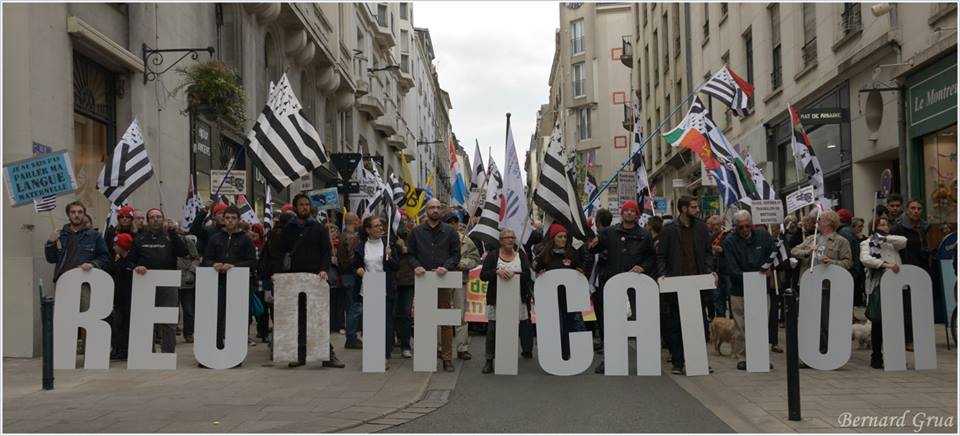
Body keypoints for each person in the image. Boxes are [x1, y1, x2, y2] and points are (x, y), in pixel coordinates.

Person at [273, 194, 343, 368]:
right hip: (295, 278)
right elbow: (279, 252)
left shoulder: (318, 228)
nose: (304, 207)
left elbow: (326, 251)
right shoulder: (288, 229)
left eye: (306, 204)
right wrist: (277, 273)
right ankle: (300, 353)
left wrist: (322, 269)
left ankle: (327, 354)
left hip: (315, 278)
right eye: (301, 204)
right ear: (296, 207)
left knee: (319, 318)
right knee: (299, 318)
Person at [588, 200, 657, 373]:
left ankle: (645, 358)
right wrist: (592, 243)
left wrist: (643, 267)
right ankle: (609, 358)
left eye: (632, 211)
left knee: (636, 320)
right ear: (622, 213)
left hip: (636, 286)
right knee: (610, 322)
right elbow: (593, 250)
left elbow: (651, 258)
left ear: (637, 215)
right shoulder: (609, 232)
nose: (629, 213)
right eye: (626, 210)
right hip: (611, 283)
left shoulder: (645, 235)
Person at [655, 195, 716, 375]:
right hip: (676, 283)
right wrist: (663, 274)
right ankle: (678, 362)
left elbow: (707, 252)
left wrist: (709, 270)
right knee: (676, 324)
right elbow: (661, 255)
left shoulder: (701, 228)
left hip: (697, 283)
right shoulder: (669, 230)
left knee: (699, 324)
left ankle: (699, 360)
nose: (697, 210)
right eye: (694, 207)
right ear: (683, 209)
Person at [45, 201, 111, 355]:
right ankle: (65, 353)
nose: (76, 215)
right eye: (73, 212)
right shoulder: (60, 235)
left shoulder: (94, 236)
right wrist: (50, 242)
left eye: (80, 212)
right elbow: (50, 258)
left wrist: (93, 264)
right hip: (64, 282)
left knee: (87, 317)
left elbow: (105, 256)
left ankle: (90, 352)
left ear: (84, 214)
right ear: (68, 215)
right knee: (65, 319)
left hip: (85, 283)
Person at [407, 198, 461, 372]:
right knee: (423, 320)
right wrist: (416, 266)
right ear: (426, 210)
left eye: (438, 207)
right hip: (424, 281)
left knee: (445, 321)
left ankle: (447, 358)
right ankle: (426, 356)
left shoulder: (450, 232)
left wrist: (446, 267)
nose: (435, 210)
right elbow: (410, 255)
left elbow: (456, 255)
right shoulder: (416, 232)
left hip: (443, 279)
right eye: (432, 208)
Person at [790, 210, 852, 356]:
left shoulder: (841, 241)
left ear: (830, 222)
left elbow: (848, 262)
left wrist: (831, 262)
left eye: (821, 219)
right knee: (809, 320)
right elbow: (794, 250)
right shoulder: (812, 239)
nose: (818, 222)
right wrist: (807, 251)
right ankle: (811, 350)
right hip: (809, 285)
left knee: (825, 320)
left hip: (827, 287)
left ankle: (826, 350)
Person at [127, 208, 188, 354]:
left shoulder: (170, 237)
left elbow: (183, 252)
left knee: (168, 322)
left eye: (159, 217)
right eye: (152, 217)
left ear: (163, 219)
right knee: (146, 321)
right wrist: (136, 267)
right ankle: (147, 353)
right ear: (148, 221)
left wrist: (173, 232)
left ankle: (167, 354)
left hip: (167, 284)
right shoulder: (140, 239)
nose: (156, 219)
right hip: (146, 284)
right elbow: (129, 261)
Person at [722, 211, 776, 370]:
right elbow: (732, 268)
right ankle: (743, 356)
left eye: (748, 226)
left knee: (761, 322)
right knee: (742, 325)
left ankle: (760, 355)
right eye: (741, 227)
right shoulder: (730, 241)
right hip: (739, 289)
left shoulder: (762, 235)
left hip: (761, 288)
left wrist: (768, 269)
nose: (745, 230)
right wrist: (751, 277)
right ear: (735, 228)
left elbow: (772, 253)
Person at [479, 228, 534, 373]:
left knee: (515, 328)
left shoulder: (520, 255)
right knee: (492, 329)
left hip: (517, 299)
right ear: (501, 241)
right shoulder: (492, 256)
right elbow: (483, 275)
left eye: (512, 237)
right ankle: (489, 360)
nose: (510, 240)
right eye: (507, 237)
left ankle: (508, 358)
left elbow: (527, 275)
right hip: (497, 300)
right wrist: (497, 272)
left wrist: (514, 275)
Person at [533, 223, 588, 361]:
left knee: (572, 326)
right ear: (553, 238)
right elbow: (535, 267)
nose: (563, 239)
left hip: (571, 300)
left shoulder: (572, 253)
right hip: (552, 300)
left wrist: (581, 271)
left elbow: (581, 268)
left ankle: (572, 354)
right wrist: (539, 272)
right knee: (557, 327)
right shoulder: (545, 255)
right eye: (560, 237)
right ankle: (557, 354)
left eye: (565, 236)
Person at [860, 216, 907, 369]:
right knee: (878, 323)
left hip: (896, 285)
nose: (884, 227)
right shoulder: (867, 243)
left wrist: (885, 238)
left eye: (886, 224)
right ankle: (876, 356)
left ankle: (896, 354)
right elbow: (866, 259)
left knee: (897, 322)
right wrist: (885, 264)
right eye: (880, 224)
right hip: (878, 286)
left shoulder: (891, 243)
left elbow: (903, 241)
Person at [353, 216, 399, 368]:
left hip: (385, 287)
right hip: (370, 286)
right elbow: (356, 266)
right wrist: (362, 272)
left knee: (385, 323)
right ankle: (373, 355)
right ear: (368, 230)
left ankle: (385, 356)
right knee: (372, 323)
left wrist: (390, 256)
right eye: (376, 226)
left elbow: (396, 266)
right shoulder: (361, 246)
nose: (380, 228)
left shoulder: (388, 244)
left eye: (381, 225)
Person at [891, 198, 931, 350]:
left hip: (922, 270)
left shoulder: (924, 227)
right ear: (907, 210)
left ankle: (920, 336)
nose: (916, 211)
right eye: (913, 208)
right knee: (907, 307)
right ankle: (908, 339)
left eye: (919, 208)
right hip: (905, 270)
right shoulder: (899, 228)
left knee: (921, 306)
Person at [447, 212, 481, 361]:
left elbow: (475, 258)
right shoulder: (438, 240)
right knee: (442, 315)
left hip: (459, 279)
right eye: (448, 222)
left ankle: (462, 348)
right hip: (441, 280)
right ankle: (440, 347)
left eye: (454, 222)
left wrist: (460, 264)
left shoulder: (465, 241)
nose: (452, 224)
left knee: (460, 315)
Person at [338, 212, 363, 349]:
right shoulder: (351, 238)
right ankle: (351, 337)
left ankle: (351, 336)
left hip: (345, 275)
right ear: (355, 221)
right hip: (351, 275)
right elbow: (353, 259)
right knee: (354, 307)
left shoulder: (343, 235)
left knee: (350, 306)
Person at [109, 233, 134, 360]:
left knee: (125, 326)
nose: (113, 247)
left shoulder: (131, 262)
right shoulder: (119, 261)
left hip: (128, 300)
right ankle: (119, 349)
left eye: (116, 245)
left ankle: (125, 350)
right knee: (118, 325)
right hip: (118, 300)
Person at [394, 215, 416, 358]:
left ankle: (405, 345)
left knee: (406, 314)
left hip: (408, 280)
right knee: (394, 314)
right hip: (394, 280)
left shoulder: (413, 237)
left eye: (407, 221)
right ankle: (396, 340)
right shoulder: (390, 238)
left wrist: (407, 248)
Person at [176, 228, 200, 344]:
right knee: (172, 310)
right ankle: (169, 333)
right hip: (171, 280)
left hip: (187, 281)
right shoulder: (167, 241)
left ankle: (189, 333)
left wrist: (191, 271)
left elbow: (196, 258)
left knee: (189, 310)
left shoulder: (187, 241)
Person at [838, 209, 865, 307]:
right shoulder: (848, 231)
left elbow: (847, 254)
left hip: (850, 271)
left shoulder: (844, 233)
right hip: (854, 271)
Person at [706, 214, 730, 319]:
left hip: (726, 271)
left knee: (730, 296)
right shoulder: (709, 237)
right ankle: (720, 320)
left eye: (717, 224)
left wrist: (722, 250)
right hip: (715, 271)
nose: (715, 226)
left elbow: (731, 251)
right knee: (717, 298)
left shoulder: (728, 235)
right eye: (713, 224)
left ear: (721, 224)